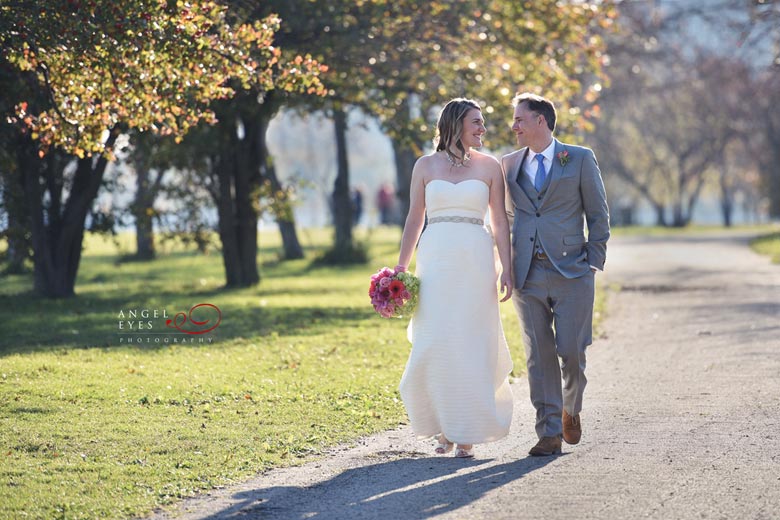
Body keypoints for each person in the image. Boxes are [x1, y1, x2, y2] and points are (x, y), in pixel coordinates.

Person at [395, 98, 514, 459]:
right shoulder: (425, 165)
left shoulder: (491, 166)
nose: (482, 129)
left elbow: (500, 221)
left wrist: (506, 266)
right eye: (476, 122)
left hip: (476, 260)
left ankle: (467, 431)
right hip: (435, 259)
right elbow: (415, 217)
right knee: (436, 341)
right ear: (456, 124)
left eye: (483, 123)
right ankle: (444, 427)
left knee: (471, 340)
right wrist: (400, 267)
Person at [501, 92, 610, 456]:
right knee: (539, 354)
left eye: (519, 119)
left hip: (573, 270)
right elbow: (507, 217)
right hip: (527, 274)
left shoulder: (578, 158)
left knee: (571, 351)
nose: (514, 126)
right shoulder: (508, 165)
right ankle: (548, 431)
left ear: (540, 121)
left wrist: (594, 261)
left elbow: (598, 213)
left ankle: (570, 409)